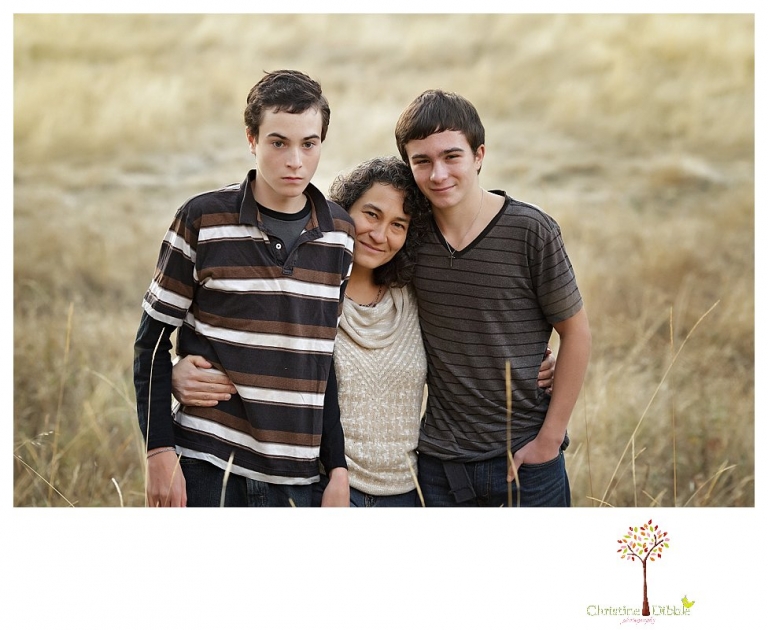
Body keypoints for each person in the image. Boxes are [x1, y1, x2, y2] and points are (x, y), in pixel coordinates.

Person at [172, 157, 557, 506]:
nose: (380, 234)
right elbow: (248, 339)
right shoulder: (312, 289)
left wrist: (531, 364)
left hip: (408, 492)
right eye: (371, 215)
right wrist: (178, 371)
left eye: (398, 225)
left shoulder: (412, 297)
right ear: (343, 210)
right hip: (328, 488)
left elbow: (470, 337)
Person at [132, 69, 355, 507]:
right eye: (279, 143)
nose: (296, 161)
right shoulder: (203, 219)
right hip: (207, 465)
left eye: (309, 144)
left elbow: (319, 362)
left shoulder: (339, 235)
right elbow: (151, 344)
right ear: (252, 139)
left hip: (299, 479)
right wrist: (159, 451)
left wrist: (338, 469)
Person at [394, 89, 591, 506]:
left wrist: (548, 441)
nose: (438, 174)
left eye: (452, 156)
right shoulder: (407, 236)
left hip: (527, 460)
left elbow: (576, 334)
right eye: (422, 161)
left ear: (479, 155)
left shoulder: (530, 231)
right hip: (439, 468)